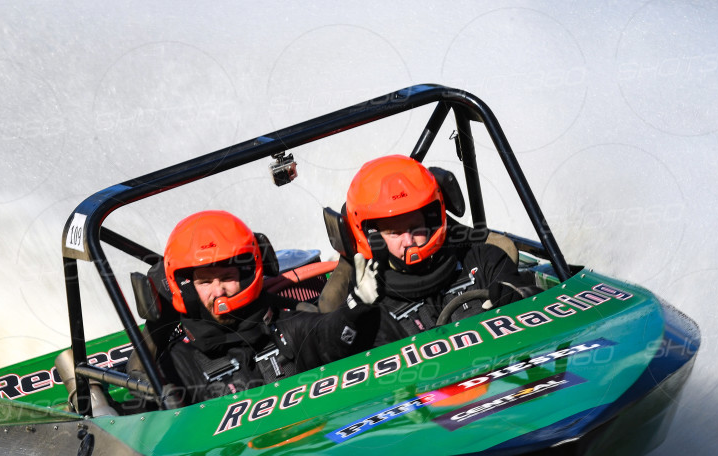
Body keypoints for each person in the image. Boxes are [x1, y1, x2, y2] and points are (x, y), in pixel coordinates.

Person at [158, 210, 380, 405]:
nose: (218, 291)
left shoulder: (285, 325)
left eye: (227, 278)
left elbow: (329, 334)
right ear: (188, 289)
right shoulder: (178, 363)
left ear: (246, 277)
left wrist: (356, 307)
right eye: (205, 282)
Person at [319, 154, 536, 345]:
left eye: (415, 227)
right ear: (373, 238)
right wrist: (355, 312)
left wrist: (516, 298)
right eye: (394, 232)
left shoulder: (482, 259)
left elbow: (538, 305)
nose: (408, 240)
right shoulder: (369, 302)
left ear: (432, 221)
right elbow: (332, 350)